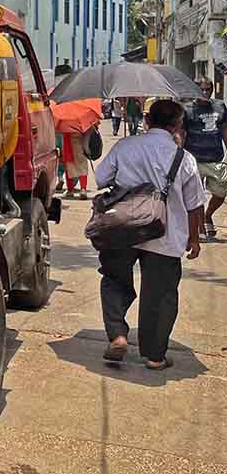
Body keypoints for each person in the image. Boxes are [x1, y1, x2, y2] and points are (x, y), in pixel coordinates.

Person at [94, 100, 204, 370]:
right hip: (165, 235)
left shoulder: (125, 146)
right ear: (177, 126)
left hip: (123, 229)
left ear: (147, 121)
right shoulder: (184, 158)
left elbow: (100, 178)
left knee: (114, 279)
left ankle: (118, 335)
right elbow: (195, 205)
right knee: (161, 294)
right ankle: (155, 356)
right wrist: (194, 239)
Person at [183, 77, 227, 239]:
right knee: (197, 196)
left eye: (208, 89)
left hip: (216, 158)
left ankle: (208, 215)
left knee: (221, 192)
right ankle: (201, 228)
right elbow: (182, 133)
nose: (204, 92)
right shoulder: (186, 110)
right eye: (201, 89)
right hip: (194, 159)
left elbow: (224, 129)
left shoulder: (220, 106)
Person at [62, 128, 90, 200]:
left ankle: (70, 190)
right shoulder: (82, 119)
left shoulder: (65, 120)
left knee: (69, 168)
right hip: (80, 145)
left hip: (68, 145)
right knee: (82, 168)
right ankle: (83, 189)